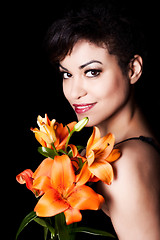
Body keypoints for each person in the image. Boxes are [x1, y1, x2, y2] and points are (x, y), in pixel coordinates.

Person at [45, 0, 160, 239]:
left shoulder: (124, 165)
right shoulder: (129, 148)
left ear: (133, 70)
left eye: (92, 72)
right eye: (67, 74)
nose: (75, 91)